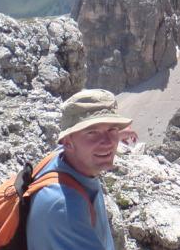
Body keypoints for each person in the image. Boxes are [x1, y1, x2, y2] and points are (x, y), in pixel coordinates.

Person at [26, 89, 133, 250]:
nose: (107, 142)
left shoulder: (65, 160)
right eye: (92, 132)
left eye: (112, 130)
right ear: (68, 141)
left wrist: (116, 133)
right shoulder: (65, 206)